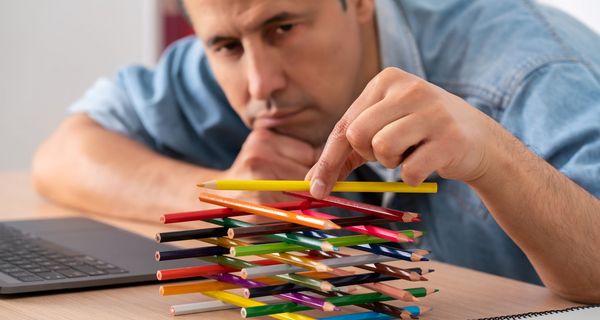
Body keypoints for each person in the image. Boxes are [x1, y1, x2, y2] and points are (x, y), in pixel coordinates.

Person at [32, 0, 599, 303]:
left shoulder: (530, 73)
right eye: (227, 46)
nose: (260, 85)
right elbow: (63, 154)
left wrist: (493, 160)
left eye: (283, 28)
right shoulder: (231, 61)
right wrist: (221, 191)